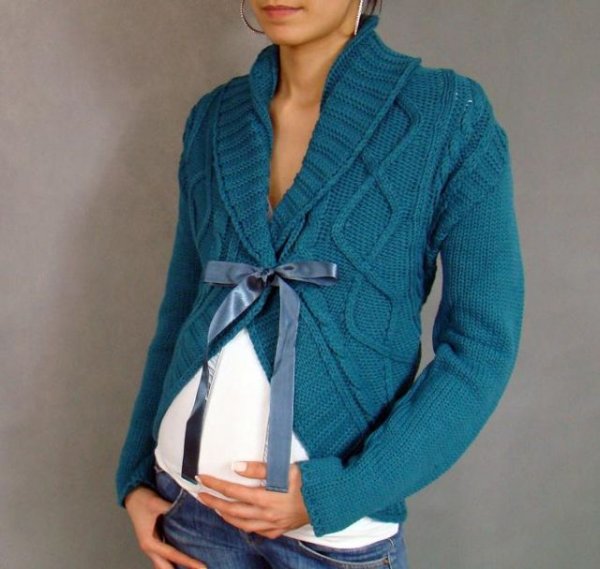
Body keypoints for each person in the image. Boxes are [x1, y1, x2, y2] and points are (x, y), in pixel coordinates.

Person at [114, 1, 525, 568]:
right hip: (188, 509)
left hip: (332, 532)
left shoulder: (448, 118)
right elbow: (182, 309)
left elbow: (481, 349)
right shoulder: (214, 119)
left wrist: (342, 492)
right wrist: (137, 475)